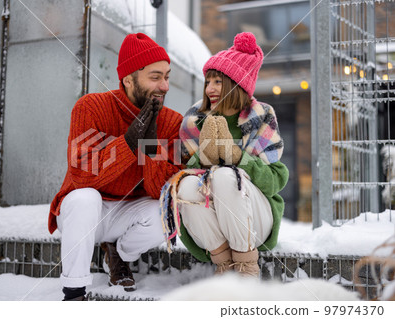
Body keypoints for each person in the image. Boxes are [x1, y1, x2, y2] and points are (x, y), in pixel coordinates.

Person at [49, 33, 183, 300]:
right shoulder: (91, 107)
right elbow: (82, 176)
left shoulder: (172, 122)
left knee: (169, 210)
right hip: (86, 212)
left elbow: (161, 189)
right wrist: (129, 143)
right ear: (128, 79)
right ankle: (74, 291)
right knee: (85, 198)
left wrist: (150, 146)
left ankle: (119, 254)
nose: (165, 86)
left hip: (129, 214)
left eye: (167, 76)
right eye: (155, 77)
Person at [160, 32, 289, 277]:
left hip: (255, 220)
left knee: (224, 177)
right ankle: (224, 263)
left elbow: (275, 181)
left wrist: (238, 158)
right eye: (207, 82)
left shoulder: (260, 116)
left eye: (218, 82)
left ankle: (246, 265)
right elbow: (180, 172)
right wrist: (204, 157)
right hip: (213, 225)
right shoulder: (195, 118)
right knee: (187, 186)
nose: (210, 89)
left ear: (236, 84)